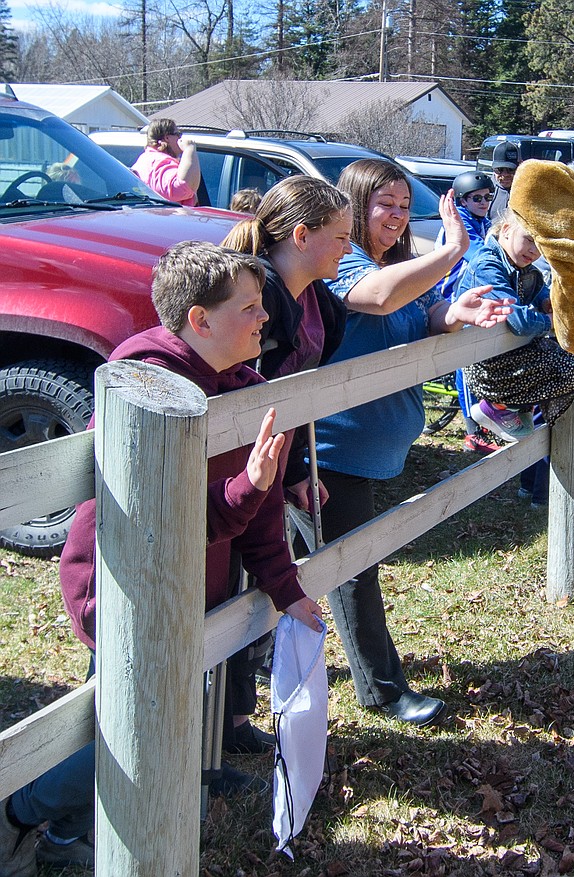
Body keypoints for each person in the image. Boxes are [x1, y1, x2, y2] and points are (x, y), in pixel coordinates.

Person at [0, 242, 325, 876]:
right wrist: (250, 486)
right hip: (127, 587)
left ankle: (67, 835)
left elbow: (255, 524)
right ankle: (18, 809)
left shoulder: (250, 390)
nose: (267, 319)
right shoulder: (143, 385)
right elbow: (161, 527)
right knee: (132, 731)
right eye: (251, 308)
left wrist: (288, 592)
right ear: (200, 321)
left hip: (191, 590)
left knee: (137, 719)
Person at [312, 158, 511, 726]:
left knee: (280, 571)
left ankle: (244, 675)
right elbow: (376, 301)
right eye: (386, 206)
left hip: (365, 452)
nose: (398, 217)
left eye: (404, 206)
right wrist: (451, 249)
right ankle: (384, 691)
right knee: (352, 568)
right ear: (353, 206)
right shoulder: (344, 262)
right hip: (328, 451)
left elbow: (406, 318)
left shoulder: (388, 264)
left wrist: (452, 312)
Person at [220, 175, 353, 755]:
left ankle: (233, 718)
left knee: (255, 583)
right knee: (227, 582)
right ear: (301, 235)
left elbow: (299, 394)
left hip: (276, 456)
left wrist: (297, 467)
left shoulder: (320, 300)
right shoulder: (262, 296)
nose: (349, 248)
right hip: (235, 462)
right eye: (341, 237)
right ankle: (214, 726)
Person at [458, 209, 574, 446]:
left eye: (541, 245)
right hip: (487, 365)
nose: (535, 251)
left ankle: (515, 405)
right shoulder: (486, 266)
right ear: (506, 230)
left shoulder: (524, 269)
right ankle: (499, 405)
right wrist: (553, 321)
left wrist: (550, 303)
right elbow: (519, 322)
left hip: (508, 357)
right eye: (530, 239)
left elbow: (542, 295)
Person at [431, 170, 504, 455]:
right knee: (468, 364)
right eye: (477, 198)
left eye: (488, 196)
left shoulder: (483, 221)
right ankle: (472, 429)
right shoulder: (459, 224)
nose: (484, 202)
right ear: (462, 200)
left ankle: (488, 419)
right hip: (453, 299)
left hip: (476, 298)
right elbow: (480, 256)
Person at [131, 118, 202, 207]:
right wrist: (189, 149)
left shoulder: (145, 161)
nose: (180, 139)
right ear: (167, 137)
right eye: (178, 134)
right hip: (170, 218)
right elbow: (182, 188)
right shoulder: (159, 161)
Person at [488, 141, 519, 222]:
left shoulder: (527, 192)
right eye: (499, 169)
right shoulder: (484, 190)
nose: (505, 174)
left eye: (510, 169)